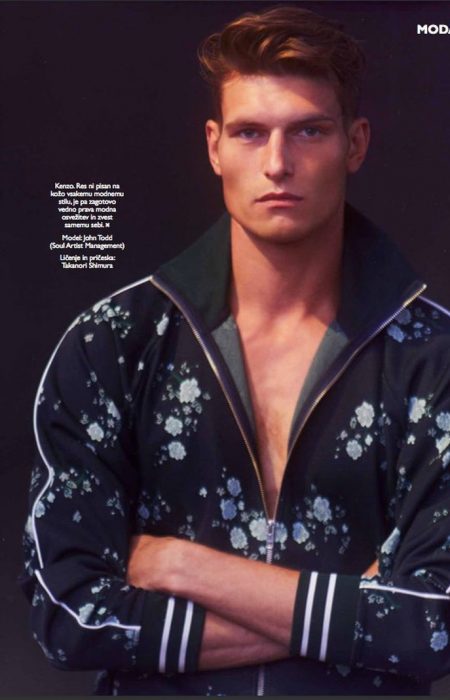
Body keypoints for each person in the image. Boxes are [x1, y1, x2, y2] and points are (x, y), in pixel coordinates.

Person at [22, 6, 450, 696]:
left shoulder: (434, 358)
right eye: (251, 133)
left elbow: (433, 625)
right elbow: (69, 615)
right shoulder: (114, 344)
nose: (278, 163)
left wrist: (182, 566)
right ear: (215, 146)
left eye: (309, 130)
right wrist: (354, 613)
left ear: (355, 143)